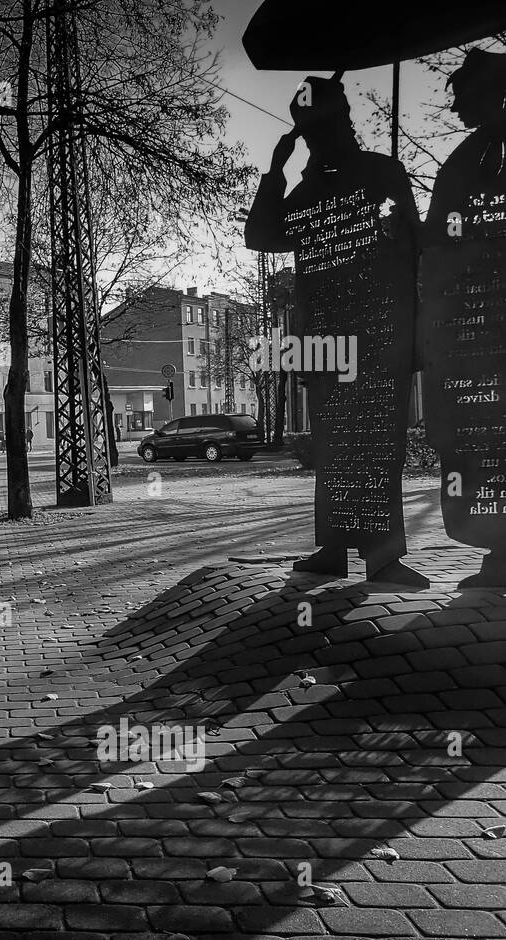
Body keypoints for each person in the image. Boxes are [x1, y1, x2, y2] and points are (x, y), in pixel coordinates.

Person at [245, 75, 426, 587]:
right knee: (335, 446)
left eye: (322, 128)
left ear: (344, 124)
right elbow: (260, 235)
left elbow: (415, 249)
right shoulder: (307, 193)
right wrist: (275, 171)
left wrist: (413, 332)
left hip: (378, 334)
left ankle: (383, 558)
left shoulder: (382, 173)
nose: (318, 139)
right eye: (308, 133)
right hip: (326, 343)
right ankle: (332, 548)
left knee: (377, 445)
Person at [421, 49, 506, 588]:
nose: (455, 109)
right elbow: (438, 243)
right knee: (476, 447)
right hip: (470, 333)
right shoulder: (461, 161)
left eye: (463, 97)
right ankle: (496, 549)